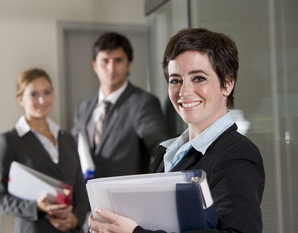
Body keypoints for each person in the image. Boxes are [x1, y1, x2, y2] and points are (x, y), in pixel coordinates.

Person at [88, 28, 265, 233]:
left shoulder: (237, 154)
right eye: (175, 80)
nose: (184, 92)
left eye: (198, 78)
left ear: (227, 83)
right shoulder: (167, 152)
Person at [0, 68, 89, 233]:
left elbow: (81, 191)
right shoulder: (8, 142)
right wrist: (35, 207)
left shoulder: (68, 139)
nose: (42, 100)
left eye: (47, 92)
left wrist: (75, 219)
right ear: (20, 99)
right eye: (34, 94)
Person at [71, 32, 170, 179]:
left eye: (118, 60)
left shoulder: (143, 102)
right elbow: (74, 150)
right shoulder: (83, 106)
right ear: (95, 65)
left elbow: (163, 151)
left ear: (129, 64)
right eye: (105, 61)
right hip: (87, 198)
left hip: (126, 198)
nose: (111, 68)